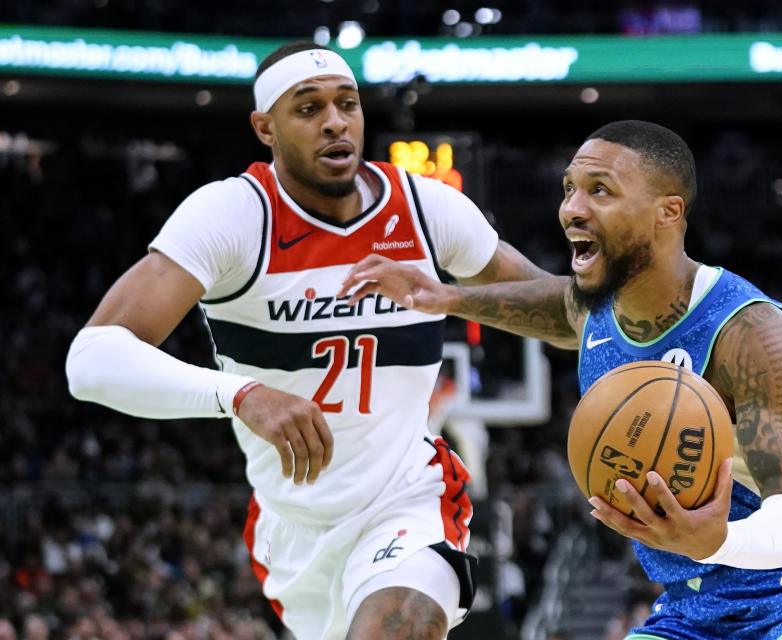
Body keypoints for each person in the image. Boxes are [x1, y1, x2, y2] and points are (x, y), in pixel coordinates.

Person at [65, 41, 564, 640]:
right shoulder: (234, 215)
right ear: (265, 128)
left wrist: (455, 297)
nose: (334, 121)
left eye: (347, 104)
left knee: (399, 624)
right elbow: (90, 360)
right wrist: (244, 394)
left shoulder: (427, 211)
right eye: (308, 108)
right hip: (294, 530)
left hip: (409, 497)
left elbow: (562, 316)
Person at [338, 120, 782, 639]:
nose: (571, 209)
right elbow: (558, 306)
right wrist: (445, 296)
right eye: (568, 189)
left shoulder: (750, 331)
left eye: (599, 191)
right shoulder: (596, 312)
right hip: (691, 609)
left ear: (668, 212)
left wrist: (716, 539)